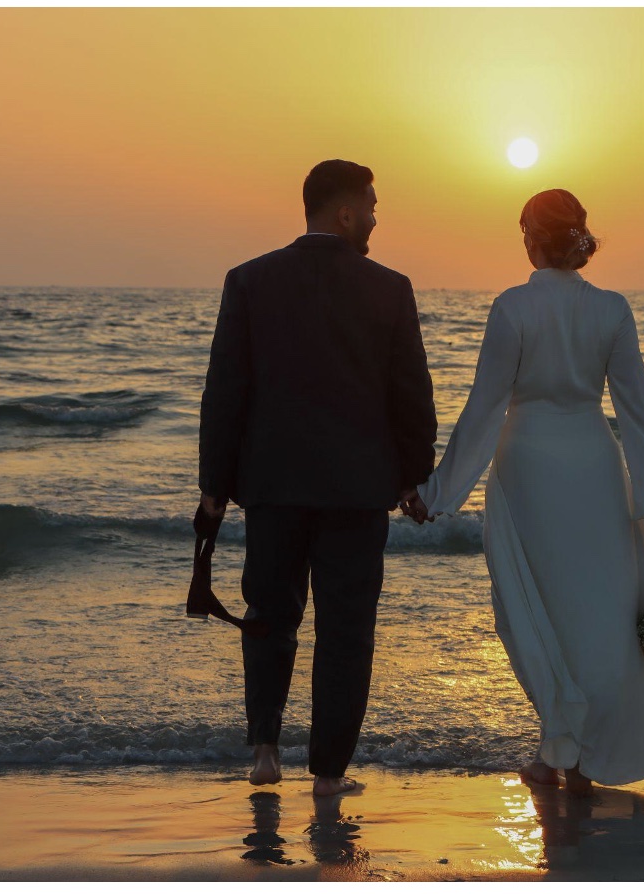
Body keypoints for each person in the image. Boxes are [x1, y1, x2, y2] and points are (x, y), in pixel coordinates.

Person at [401, 188, 644, 793]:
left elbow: (486, 407)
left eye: (523, 229)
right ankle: (575, 753)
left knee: (535, 613)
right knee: (598, 616)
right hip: (596, 467)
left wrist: (438, 493)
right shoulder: (612, 309)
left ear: (533, 237)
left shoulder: (512, 307)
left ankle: (562, 748)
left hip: (530, 472)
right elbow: (639, 412)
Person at [193, 159, 437, 797]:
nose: (377, 218)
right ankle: (328, 773)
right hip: (357, 492)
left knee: (269, 616)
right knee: (346, 632)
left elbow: (225, 392)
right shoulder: (390, 288)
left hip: (271, 488)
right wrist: (416, 477)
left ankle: (266, 754)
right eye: (372, 205)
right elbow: (412, 396)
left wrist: (214, 485)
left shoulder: (248, 281)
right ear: (346, 211)